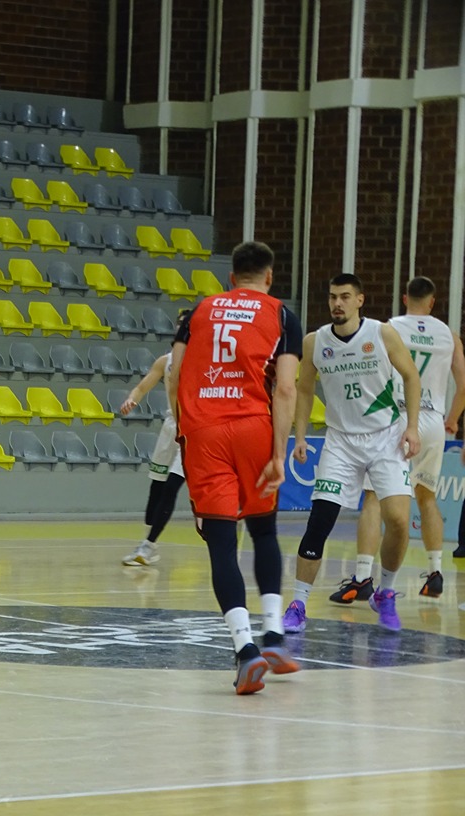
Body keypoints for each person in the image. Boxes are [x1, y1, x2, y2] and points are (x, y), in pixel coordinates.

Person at [169, 241, 302, 695]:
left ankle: (246, 651)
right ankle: (275, 636)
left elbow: (174, 373)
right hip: (253, 428)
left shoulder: (199, 310)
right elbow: (286, 389)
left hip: (204, 431)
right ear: (269, 277)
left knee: (222, 542)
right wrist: (278, 453)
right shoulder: (281, 314)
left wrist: (183, 428)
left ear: (231, 277)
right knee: (263, 531)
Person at [283, 274, 420, 634]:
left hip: (386, 437)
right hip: (341, 442)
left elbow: (411, 376)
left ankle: (385, 592)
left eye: (345, 296)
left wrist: (412, 426)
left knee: (399, 520)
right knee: (320, 522)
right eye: (332, 297)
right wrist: (300, 436)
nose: (337, 303)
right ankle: (298, 604)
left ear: (360, 300)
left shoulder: (382, 333)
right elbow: (304, 389)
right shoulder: (315, 341)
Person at [330, 277, 465, 602]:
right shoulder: (449, 335)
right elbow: (463, 385)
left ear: (405, 298)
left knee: (374, 498)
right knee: (427, 498)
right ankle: (435, 573)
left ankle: (362, 577)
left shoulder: (388, 328)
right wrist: (453, 419)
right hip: (432, 420)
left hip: (397, 419)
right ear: (432, 302)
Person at [120, 350, 185, 566]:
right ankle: (147, 542)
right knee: (157, 487)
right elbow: (141, 388)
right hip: (170, 428)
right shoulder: (166, 360)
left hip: (192, 429)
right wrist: (132, 399)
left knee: (172, 487)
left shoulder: (204, 359)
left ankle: (149, 545)